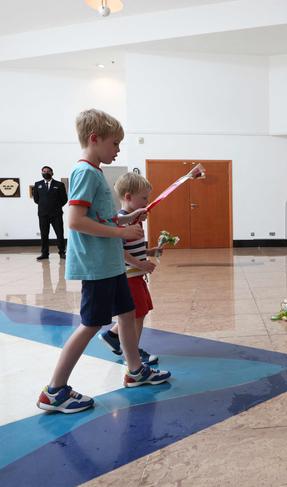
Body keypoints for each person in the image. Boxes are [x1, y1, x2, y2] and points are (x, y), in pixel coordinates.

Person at [36, 109, 171, 414]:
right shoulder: (85, 171)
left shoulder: (95, 172)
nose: (118, 149)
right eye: (115, 143)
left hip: (111, 264)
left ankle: (136, 370)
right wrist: (121, 231)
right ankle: (55, 390)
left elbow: (100, 217)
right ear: (94, 139)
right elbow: (75, 220)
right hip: (97, 265)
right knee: (91, 323)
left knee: (127, 312)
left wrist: (127, 218)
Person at [99, 172, 160, 366]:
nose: (147, 202)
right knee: (136, 316)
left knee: (140, 313)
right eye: (143, 198)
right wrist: (141, 264)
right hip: (129, 276)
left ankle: (113, 336)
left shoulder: (135, 219)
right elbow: (119, 251)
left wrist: (150, 251)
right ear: (128, 197)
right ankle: (132, 354)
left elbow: (132, 248)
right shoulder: (121, 220)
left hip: (136, 275)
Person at [33, 165, 68, 260]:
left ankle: (62, 252)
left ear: (52, 173)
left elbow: (64, 199)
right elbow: (36, 199)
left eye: (48, 171)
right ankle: (45, 253)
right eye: (43, 171)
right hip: (43, 214)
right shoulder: (37, 184)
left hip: (56, 214)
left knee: (59, 234)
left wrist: (55, 207)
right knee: (44, 234)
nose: (45, 173)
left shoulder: (59, 185)